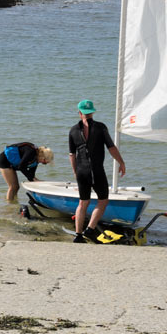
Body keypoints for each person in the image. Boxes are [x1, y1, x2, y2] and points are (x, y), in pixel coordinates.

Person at [68, 99, 125, 243]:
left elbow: (72, 155)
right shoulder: (100, 127)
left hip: (81, 171)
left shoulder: (73, 130)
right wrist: (121, 162)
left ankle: (78, 235)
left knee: (83, 203)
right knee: (103, 200)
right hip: (96, 171)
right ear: (92, 112)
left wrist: (76, 172)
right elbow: (111, 148)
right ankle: (90, 229)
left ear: (79, 113)